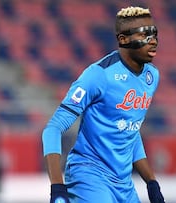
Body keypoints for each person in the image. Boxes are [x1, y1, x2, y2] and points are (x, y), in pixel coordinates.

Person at [42, 6, 165, 203]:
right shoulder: (98, 75)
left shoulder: (152, 76)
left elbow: (130, 131)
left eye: (154, 33)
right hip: (89, 175)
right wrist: (57, 186)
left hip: (123, 183)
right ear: (123, 39)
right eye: (144, 34)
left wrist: (151, 182)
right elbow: (53, 129)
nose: (153, 41)